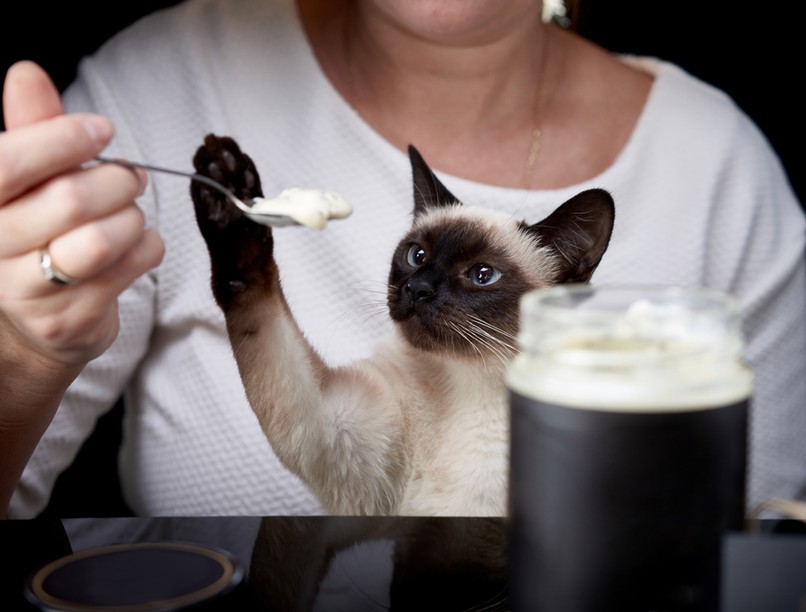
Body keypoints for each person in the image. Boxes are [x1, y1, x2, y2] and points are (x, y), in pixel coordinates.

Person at [2, 0, 804, 519]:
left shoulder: (714, 163)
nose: (422, 286)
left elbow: (767, 547)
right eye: (417, 256)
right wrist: (22, 354)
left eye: (478, 276)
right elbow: (323, 443)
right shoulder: (160, 82)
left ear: (566, 280)